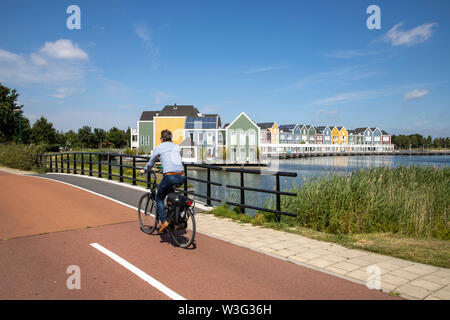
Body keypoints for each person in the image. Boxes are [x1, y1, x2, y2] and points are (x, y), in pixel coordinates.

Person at [140, 130, 186, 233]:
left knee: (159, 198)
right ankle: (173, 217)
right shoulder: (177, 147)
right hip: (182, 176)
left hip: (170, 176)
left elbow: (151, 162)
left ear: (162, 139)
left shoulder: (159, 147)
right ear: (171, 138)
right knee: (170, 195)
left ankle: (164, 221)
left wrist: (144, 170)